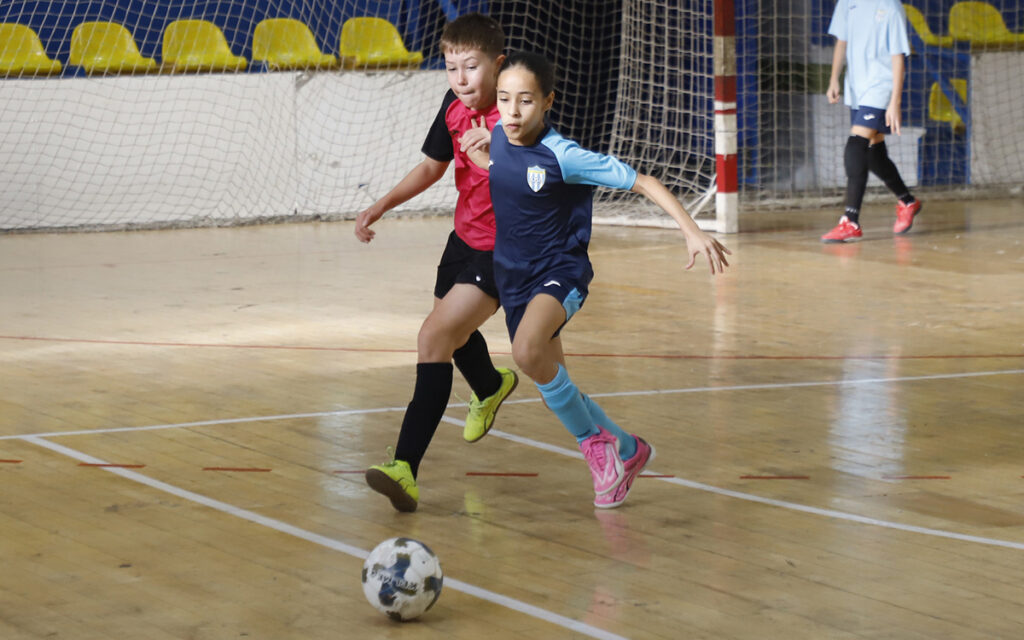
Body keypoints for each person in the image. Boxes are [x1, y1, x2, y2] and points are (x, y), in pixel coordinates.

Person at [479, 51, 730, 508]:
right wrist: (484, 154)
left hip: (560, 272)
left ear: (548, 101)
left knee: (526, 352)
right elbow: (509, 180)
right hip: (511, 275)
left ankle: (596, 451)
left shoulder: (564, 156)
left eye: (525, 101)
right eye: (503, 99)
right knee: (552, 381)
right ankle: (629, 450)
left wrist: (693, 231)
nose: (512, 112)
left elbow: (644, 181)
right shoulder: (497, 134)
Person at [358, 14, 517, 513]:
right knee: (452, 335)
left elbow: (537, 186)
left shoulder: (517, 116)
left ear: (498, 65)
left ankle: (404, 468)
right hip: (462, 241)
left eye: (472, 67)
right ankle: (490, 385)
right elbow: (432, 165)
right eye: (452, 68)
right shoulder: (453, 107)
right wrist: (380, 204)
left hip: (502, 251)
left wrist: (496, 156)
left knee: (433, 337)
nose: (462, 79)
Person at [821, 0, 923, 243]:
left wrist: (894, 102)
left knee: (855, 144)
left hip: (881, 85)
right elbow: (842, 40)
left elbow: (898, 56)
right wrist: (834, 78)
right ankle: (907, 201)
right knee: (873, 152)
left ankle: (850, 221)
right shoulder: (847, 3)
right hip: (857, 86)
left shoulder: (891, 6)